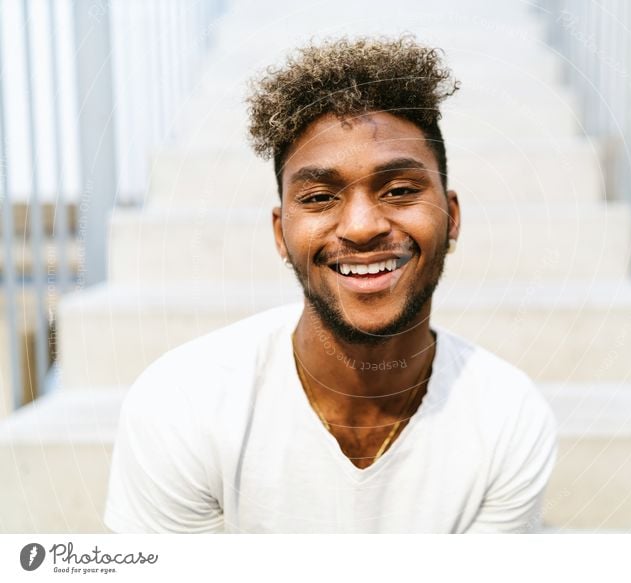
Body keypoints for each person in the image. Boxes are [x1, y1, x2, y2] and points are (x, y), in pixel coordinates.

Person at [104, 35, 557, 533]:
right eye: (319, 197)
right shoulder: (181, 405)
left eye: (401, 190)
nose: (362, 227)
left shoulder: (507, 415)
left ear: (451, 216)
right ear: (280, 232)